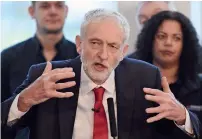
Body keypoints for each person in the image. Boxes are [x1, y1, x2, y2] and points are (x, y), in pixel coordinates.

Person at [1, 9, 200, 139]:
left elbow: (171, 133)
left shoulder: (145, 78)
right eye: (95, 43)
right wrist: (24, 100)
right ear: (79, 44)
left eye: (113, 46)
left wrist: (183, 116)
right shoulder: (47, 76)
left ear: (123, 52)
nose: (103, 55)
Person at [129, 10, 202, 138]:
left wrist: (184, 116)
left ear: (186, 44)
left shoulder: (199, 86)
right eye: (161, 36)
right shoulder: (129, 81)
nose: (168, 43)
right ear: (150, 40)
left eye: (177, 38)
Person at [1, 1, 78, 102]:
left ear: (66, 11)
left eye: (59, 5)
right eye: (45, 6)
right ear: (32, 11)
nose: (53, 11)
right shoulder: (7, 58)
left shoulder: (81, 57)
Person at [134, 1, 202, 73]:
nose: (151, 25)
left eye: (158, 16)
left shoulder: (198, 60)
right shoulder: (130, 65)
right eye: (144, 21)